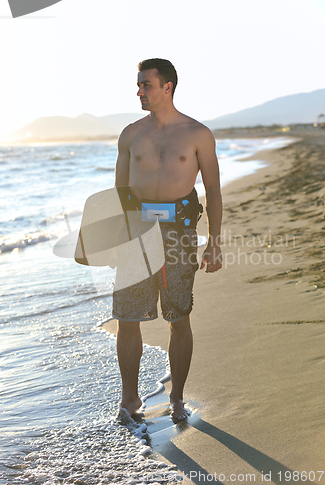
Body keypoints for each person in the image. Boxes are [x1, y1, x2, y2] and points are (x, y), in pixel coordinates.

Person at [114, 58, 222, 421]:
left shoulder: (197, 134)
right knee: (127, 317)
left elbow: (214, 192)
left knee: (179, 317)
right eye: (139, 84)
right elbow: (120, 191)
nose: (139, 91)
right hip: (136, 235)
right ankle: (129, 399)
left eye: (146, 84)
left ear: (167, 87)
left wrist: (215, 243)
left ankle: (176, 397)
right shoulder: (131, 134)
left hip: (180, 233)